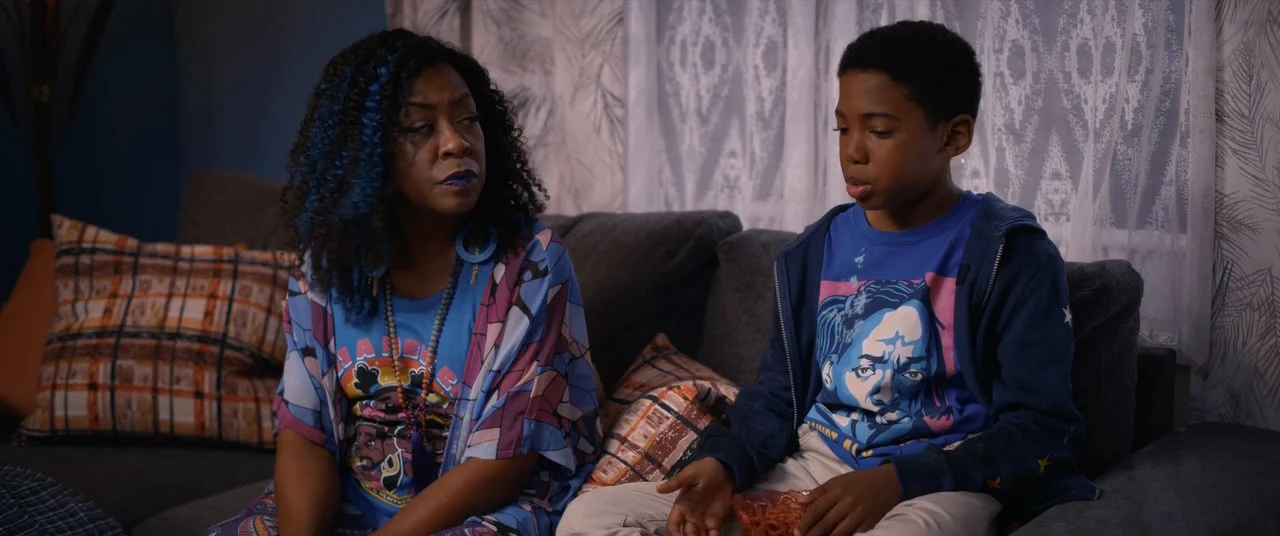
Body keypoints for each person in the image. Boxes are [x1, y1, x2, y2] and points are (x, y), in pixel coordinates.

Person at [557, 20, 1097, 536]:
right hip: (816, 468)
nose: (852, 151)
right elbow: (775, 397)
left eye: (879, 131)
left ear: (953, 137)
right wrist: (724, 462)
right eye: (843, 128)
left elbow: (1041, 426)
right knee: (592, 517)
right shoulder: (812, 253)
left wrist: (897, 481)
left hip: (939, 483)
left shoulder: (1008, 254)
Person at [204, 29, 601, 536]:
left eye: (468, 119)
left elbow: (505, 461)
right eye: (420, 127)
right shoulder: (325, 268)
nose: (456, 143)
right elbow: (306, 432)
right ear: (366, 151)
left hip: (483, 514)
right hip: (352, 510)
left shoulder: (530, 265)